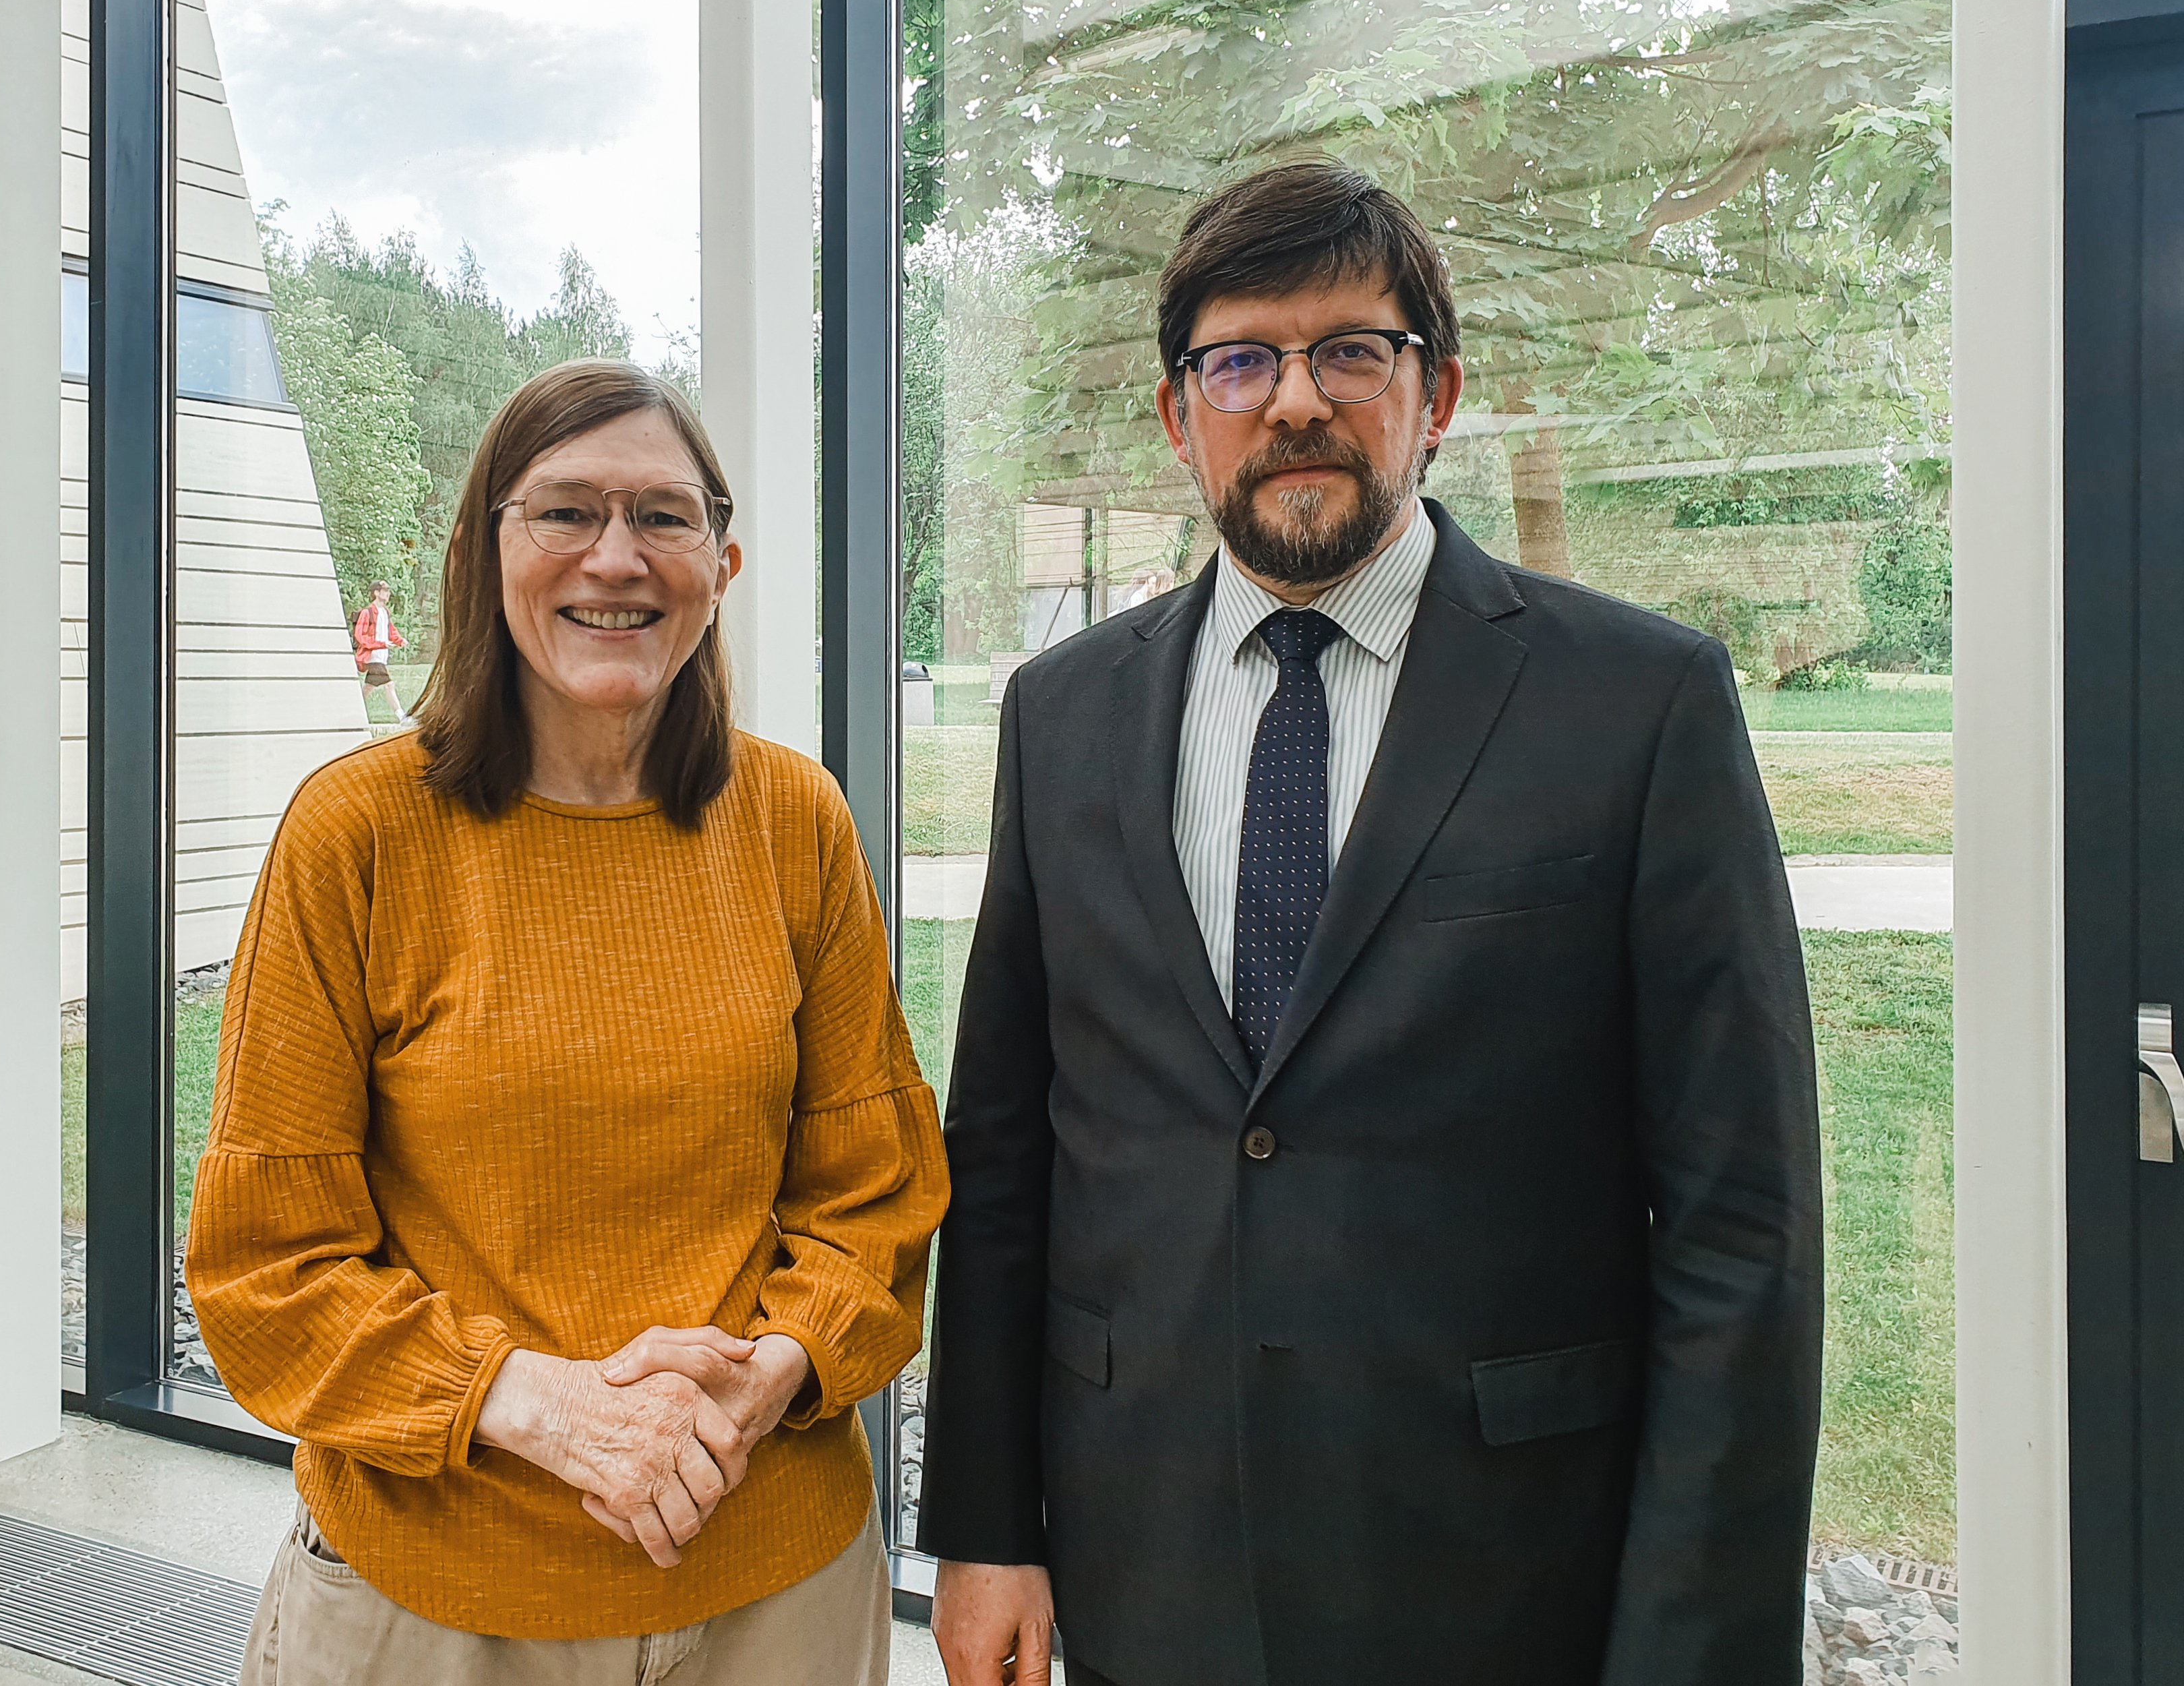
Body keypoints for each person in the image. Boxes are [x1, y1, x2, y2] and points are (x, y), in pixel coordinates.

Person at [918, 160, 1821, 1686]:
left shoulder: (1634, 702)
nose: (1293, 401)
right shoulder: (1061, 714)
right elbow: (1007, 1153)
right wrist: (988, 1526)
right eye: (1241, 360)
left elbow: (1741, 1225)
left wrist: (1694, 1645)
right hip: (1151, 1559)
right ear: (1177, 412)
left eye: (1352, 352)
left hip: (1509, 1568)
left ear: (1437, 394)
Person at [189, 359, 948, 1685]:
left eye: (661, 515)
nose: (617, 556)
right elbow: (268, 1267)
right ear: (489, 546)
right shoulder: (355, 831)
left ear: (720, 560)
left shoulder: (793, 820)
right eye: (564, 511)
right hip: (433, 1598)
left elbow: (875, 1191)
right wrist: (544, 1404)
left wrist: (764, 1372)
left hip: (777, 1589)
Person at [353, 578, 411, 725]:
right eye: (385, 591)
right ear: (376, 593)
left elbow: (390, 630)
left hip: (381, 657)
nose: (388, 594)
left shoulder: (385, 612)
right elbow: (360, 635)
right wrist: (380, 645)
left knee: (367, 689)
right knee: (389, 685)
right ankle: (401, 717)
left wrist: (399, 640)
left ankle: (352, 709)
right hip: (372, 657)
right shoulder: (367, 613)